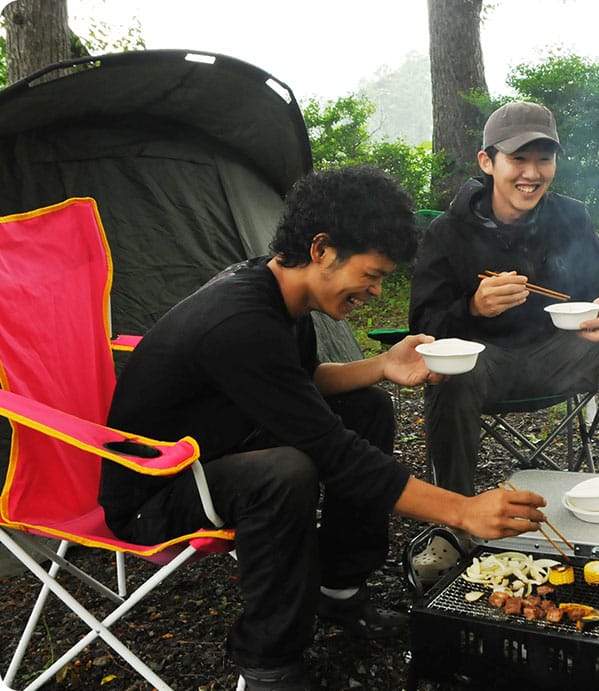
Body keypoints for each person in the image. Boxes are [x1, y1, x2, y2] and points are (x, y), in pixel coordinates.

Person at [98, 165, 547, 691]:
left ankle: (339, 592)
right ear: (321, 249)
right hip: (155, 490)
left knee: (369, 408)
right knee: (284, 470)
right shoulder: (239, 321)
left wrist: (381, 366)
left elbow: (300, 383)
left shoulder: (281, 293)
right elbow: (333, 453)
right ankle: (268, 664)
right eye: (372, 274)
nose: (377, 292)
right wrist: (462, 510)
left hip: (219, 446)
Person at [409, 101, 599, 498]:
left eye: (544, 159)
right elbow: (422, 327)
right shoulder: (449, 231)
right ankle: (454, 518)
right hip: (484, 364)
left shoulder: (571, 218)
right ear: (487, 162)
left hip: (558, 357)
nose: (532, 173)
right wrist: (472, 308)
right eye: (518, 158)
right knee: (451, 371)